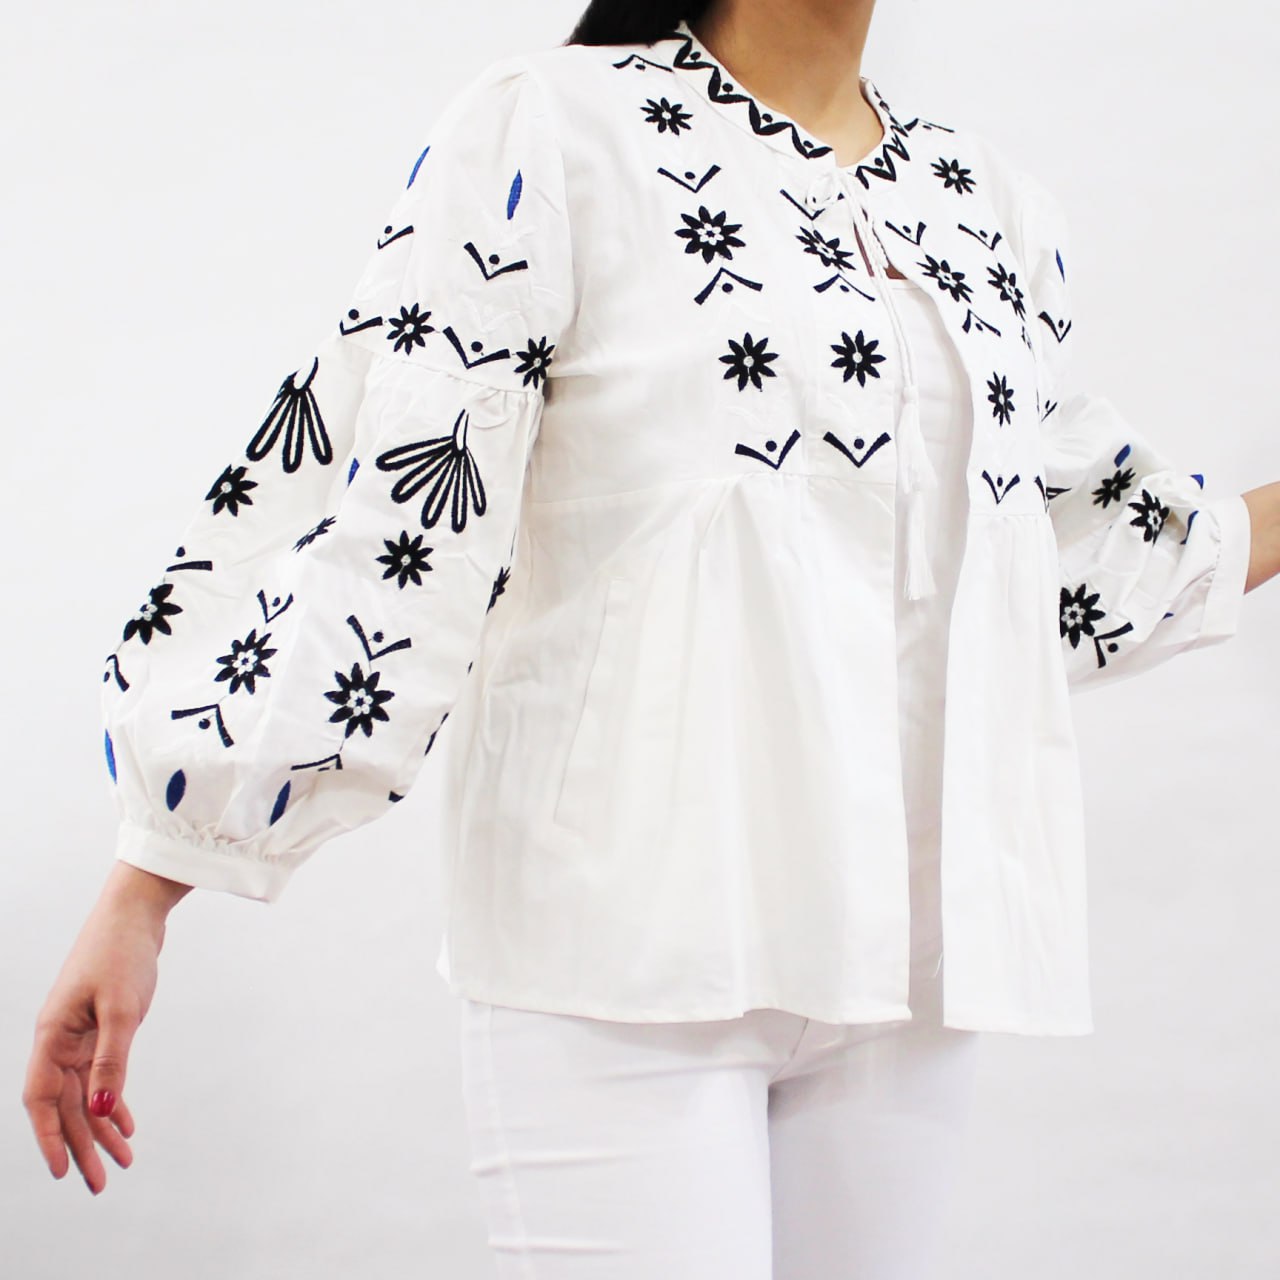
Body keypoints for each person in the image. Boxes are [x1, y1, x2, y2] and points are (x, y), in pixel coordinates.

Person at [25, 1, 1278, 1275]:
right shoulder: (554, 131)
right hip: (623, 953)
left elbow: (1061, 552)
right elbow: (392, 510)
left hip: (908, 975)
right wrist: (150, 881)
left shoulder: (985, 204)